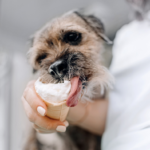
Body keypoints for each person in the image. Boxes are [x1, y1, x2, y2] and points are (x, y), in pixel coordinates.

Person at [22, 0, 150, 149]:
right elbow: (121, 116)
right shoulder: (127, 36)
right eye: (42, 58)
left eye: (72, 37)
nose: (56, 65)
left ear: (97, 32)